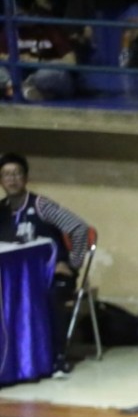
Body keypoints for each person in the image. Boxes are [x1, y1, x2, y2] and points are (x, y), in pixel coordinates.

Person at [0, 151, 93, 369]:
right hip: (15, 280)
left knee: (52, 296)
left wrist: (72, 264)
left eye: (17, 174)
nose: (12, 179)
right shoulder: (1, 211)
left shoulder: (42, 206)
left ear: (26, 178)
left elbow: (79, 228)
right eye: (6, 175)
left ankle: (57, 357)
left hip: (51, 274)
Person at [0, 0, 91, 102]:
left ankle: (19, 89)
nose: (21, 14)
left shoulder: (50, 27)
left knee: (49, 74)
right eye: (19, 11)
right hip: (21, 74)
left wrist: (37, 62)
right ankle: (23, 90)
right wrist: (15, 58)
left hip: (46, 74)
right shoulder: (11, 28)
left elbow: (72, 61)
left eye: (25, 11)